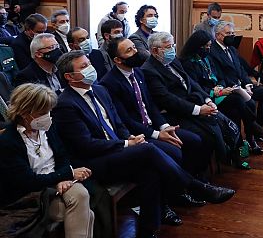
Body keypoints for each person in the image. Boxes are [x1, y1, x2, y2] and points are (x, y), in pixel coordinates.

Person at [52, 51, 235, 237]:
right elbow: (86, 145)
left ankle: (147, 231)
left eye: (89, 63)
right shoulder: (66, 104)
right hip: (94, 161)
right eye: (83, 67)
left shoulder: (99, 90)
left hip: (117, 149)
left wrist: (131, 138)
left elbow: (118, 123)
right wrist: (126, 144)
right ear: (69, 77)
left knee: (151, 173)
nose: (90, 68)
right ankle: (195, 186)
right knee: (147, 149)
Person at [100, 37, 211, 180]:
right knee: (175, 150)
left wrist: (164, 126)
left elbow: (150, 105)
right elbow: (125, 120)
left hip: (155, 125)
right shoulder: (109, 83)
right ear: (118, 60)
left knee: (194, 140)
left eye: (134, 47)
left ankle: (193, 180)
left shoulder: (138, 72)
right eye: (129, 51)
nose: (136, 52)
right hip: (138, 134)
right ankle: (181, 189)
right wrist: (157, 134)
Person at [0, 83, 94, 238]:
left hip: (56, 181)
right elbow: (28, 182)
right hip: (31, 195)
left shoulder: (48, 127)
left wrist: (62, 177)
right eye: (43, 112)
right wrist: (65, 174)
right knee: (87, 213)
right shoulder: (8, 142)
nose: (48, 116)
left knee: (82, 196)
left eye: (49, 111)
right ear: (25, 113)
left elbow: (62, 155)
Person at [180, 30, 263, 157]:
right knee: (238, 101)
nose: (209, 49)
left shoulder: (207, 58)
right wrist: (216, 91)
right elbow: (195, 85)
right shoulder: (188, 63)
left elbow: (219, 75)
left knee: (252, 99)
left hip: (221, 90)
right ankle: (252, 133)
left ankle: (250, 138)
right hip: (206, 97)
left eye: (209, 46)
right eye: (206, 46)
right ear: (198, 46)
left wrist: (221, 86)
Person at [141, 32, 229, 163]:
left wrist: (207, 99)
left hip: (191, 103)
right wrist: (199, 109)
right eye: (168, 47)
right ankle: (197, 174)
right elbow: (167, 99)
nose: (172, 50)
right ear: (155, 50)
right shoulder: (149, 70)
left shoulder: (172, 60)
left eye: (173, 46)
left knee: (217, 124)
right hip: (174, 112)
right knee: (204, 136)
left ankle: (225, 156)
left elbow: (189, 81)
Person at [210, 21, 263, 137]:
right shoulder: (212, 51)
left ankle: (258, 128)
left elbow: (241, 70)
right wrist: (238, 88)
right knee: (250, 102)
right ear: (218, 35)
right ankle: (253, 132)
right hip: (229, 88)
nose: (232, 36)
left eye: (233, 33)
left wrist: (248, 84)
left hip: (242, 86)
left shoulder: (232, 49)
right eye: (228, 33)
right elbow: (220, 75)